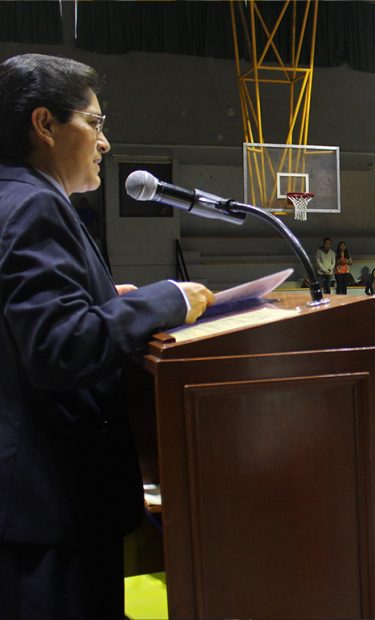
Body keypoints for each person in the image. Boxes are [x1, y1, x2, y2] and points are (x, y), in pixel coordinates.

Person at [0, 53, 213, 617]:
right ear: (45, 125)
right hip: (51, 505)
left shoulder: (12, 198)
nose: (105, 142)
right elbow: (58, 348)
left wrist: (106, 303)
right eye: (94, 123)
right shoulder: (35, 207)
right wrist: (164, 299)